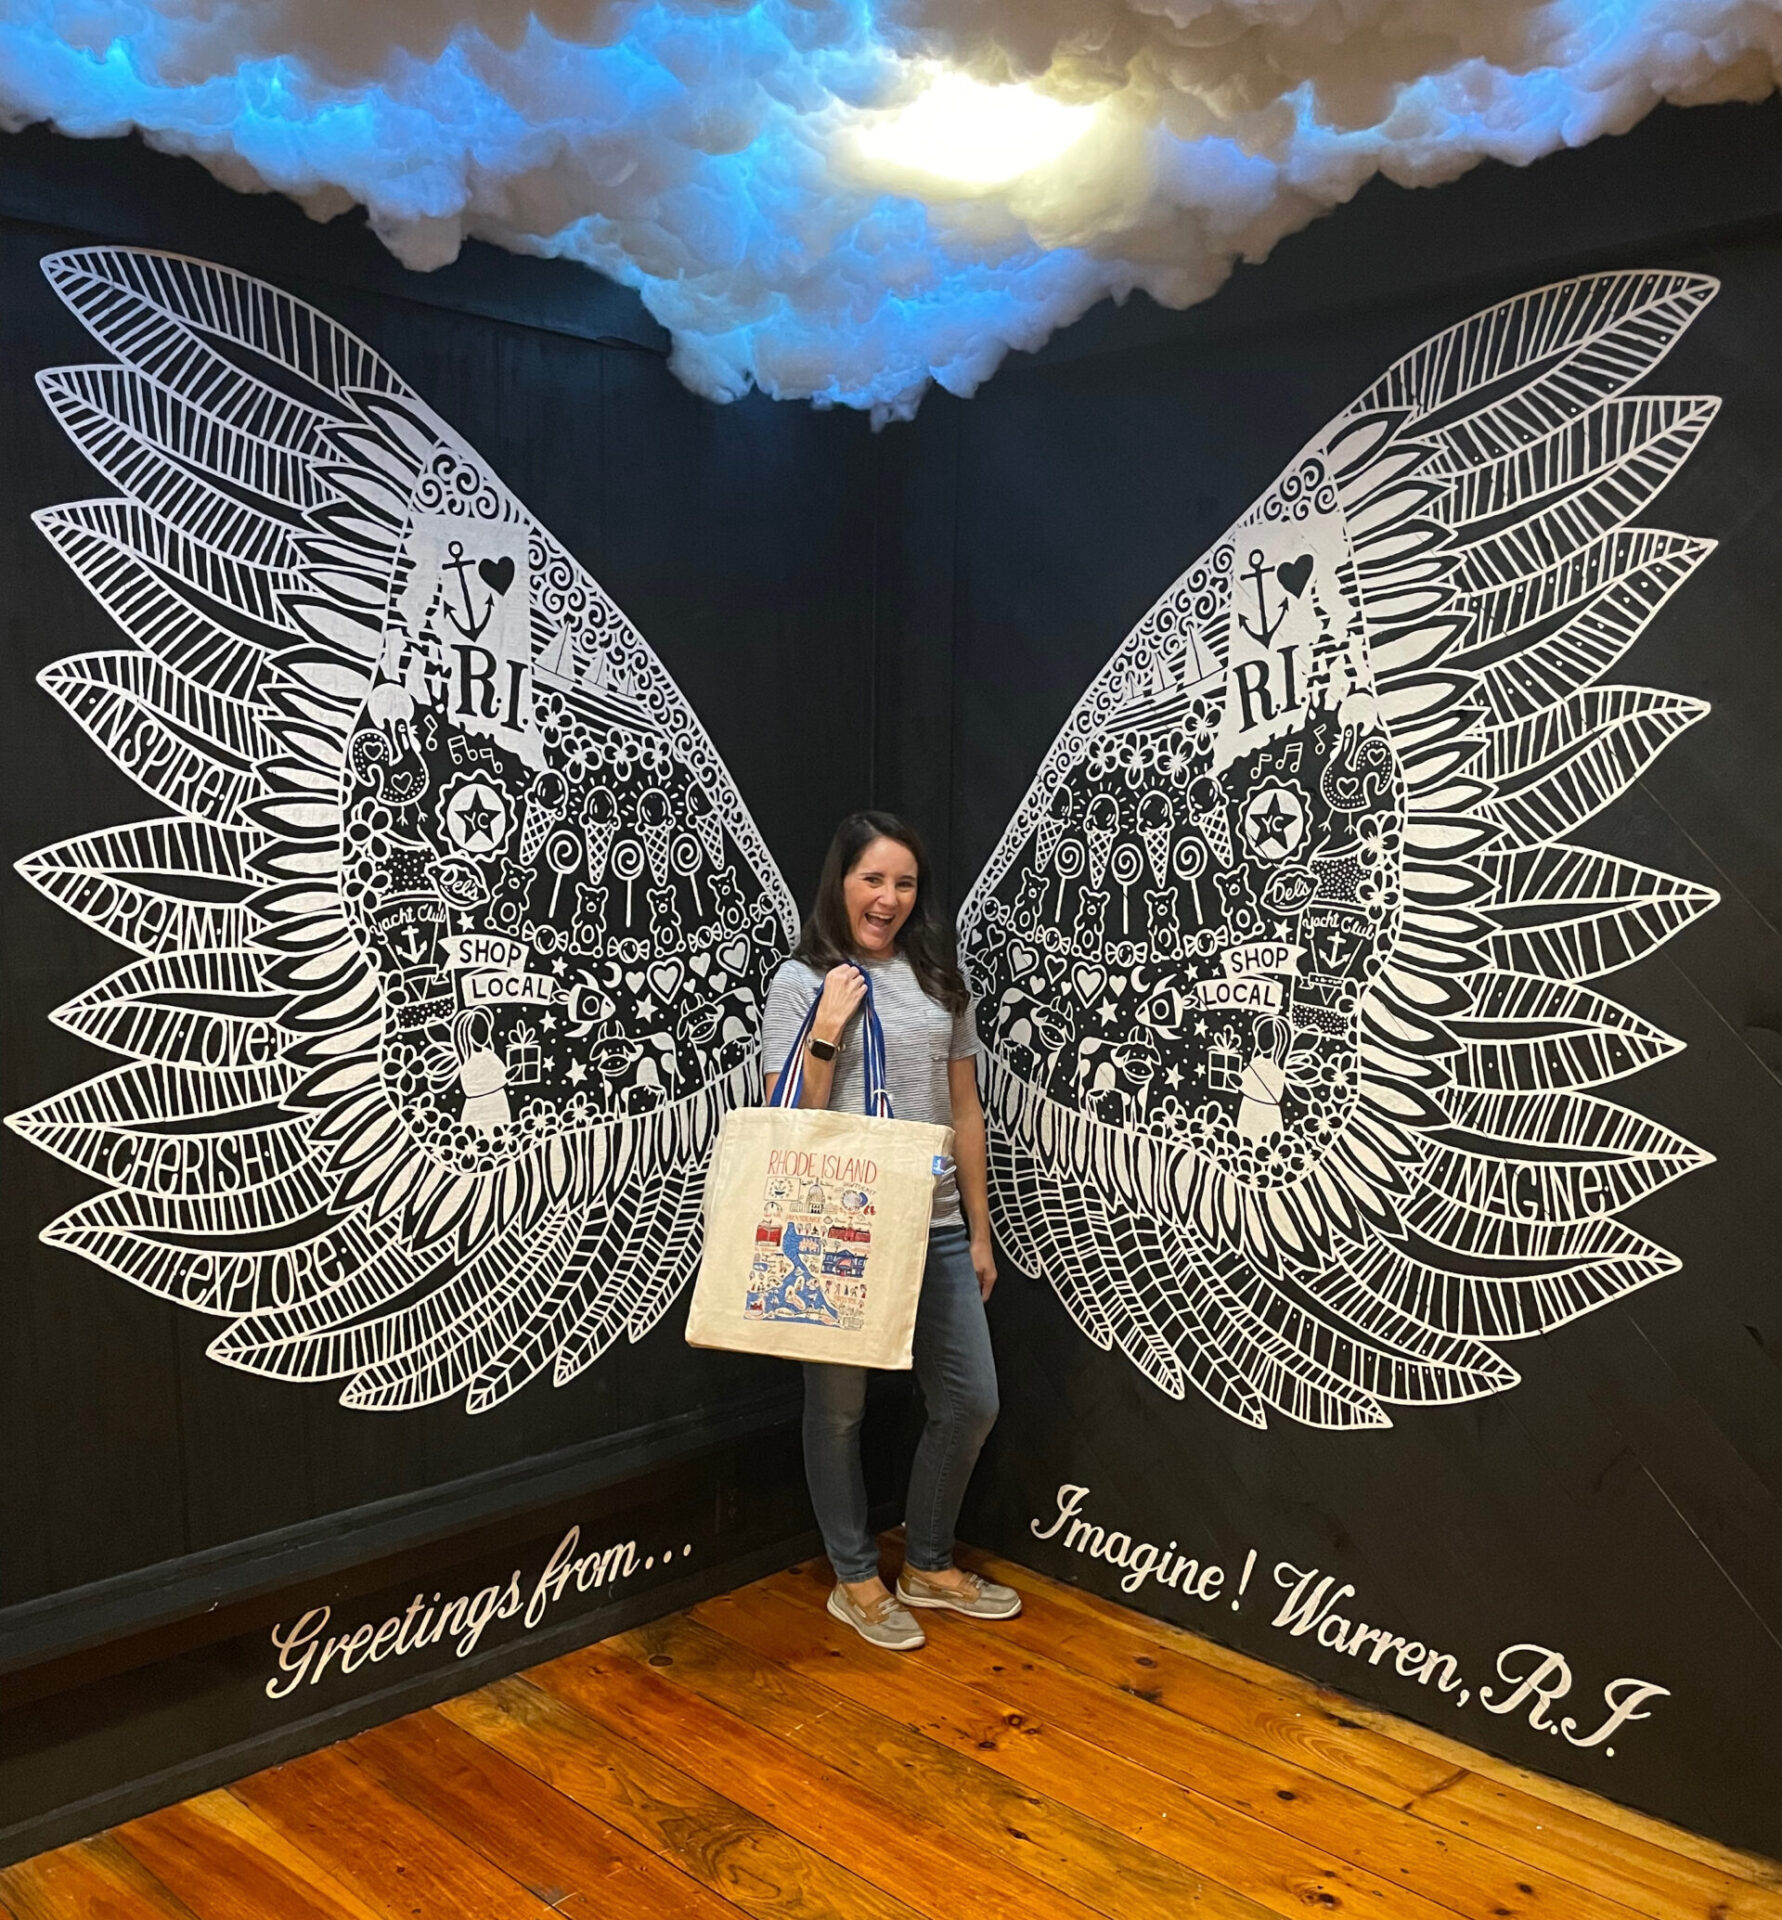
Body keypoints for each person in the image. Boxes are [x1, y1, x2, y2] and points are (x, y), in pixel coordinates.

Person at [762, 810, 1020, 1650]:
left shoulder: (939, 976)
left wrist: (980, 1230)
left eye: (904, 883)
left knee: (970, 1399)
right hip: (839, 1227)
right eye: (873, 879)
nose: (889, 898)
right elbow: (788, 1119)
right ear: (841, 883)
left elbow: (965, 1107)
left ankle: (929, 1562)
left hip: (935, 1219)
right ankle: (854, 1576)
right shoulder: (802, 982)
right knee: (837, 1409)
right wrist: (829, 1028)